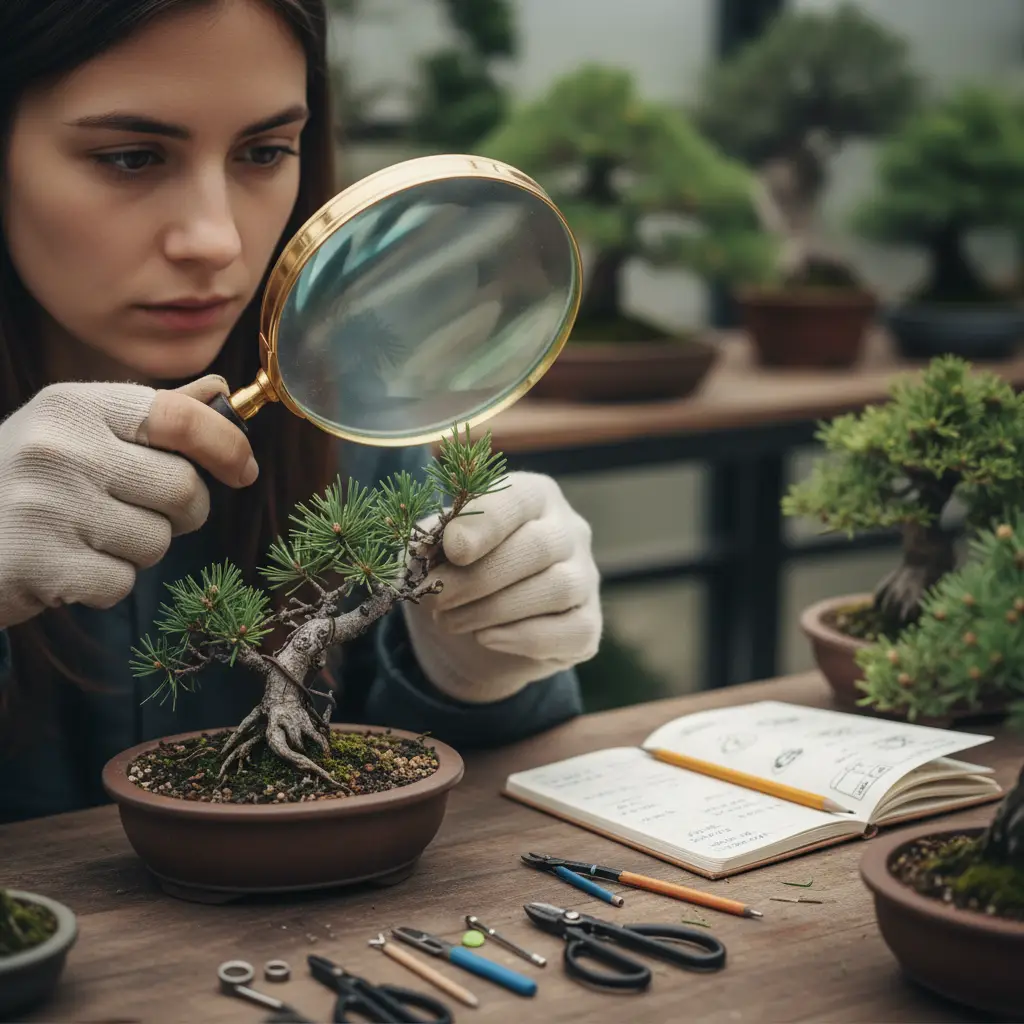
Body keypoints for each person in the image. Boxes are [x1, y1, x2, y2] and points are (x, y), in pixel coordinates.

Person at [0, 0, 603, 824]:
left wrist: (476, 671)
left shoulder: (348, 417)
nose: (215, 240)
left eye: (264, 150)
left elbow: (476, 808)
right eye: (132, 157)